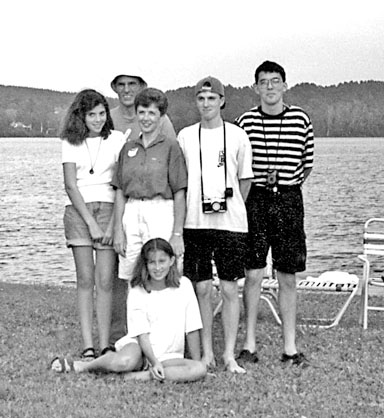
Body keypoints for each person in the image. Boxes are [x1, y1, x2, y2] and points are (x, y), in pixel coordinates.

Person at [234, 60, 314, 367]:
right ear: (255, 87)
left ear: (284, 85)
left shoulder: (300, 119)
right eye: (263, 82)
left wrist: (285, 186)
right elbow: (239, 164)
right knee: (253, 273)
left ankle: (290, 347)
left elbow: (306, 164)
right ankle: (249, 344)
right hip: (255, 199)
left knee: (287, 274)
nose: (269, 87)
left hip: (289, 200)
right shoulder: (245, 122)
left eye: (275, 81)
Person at [177, 76, 253, 374]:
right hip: (195, 222)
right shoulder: (185, 136)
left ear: (222, 100)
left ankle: (229, 354)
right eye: (201, 98)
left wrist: (230, 205)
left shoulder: (237, 136)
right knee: (202, 289)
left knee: (231, 288)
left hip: (231, 223)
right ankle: (207, 352)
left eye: (212, 98)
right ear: (196, 102)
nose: (206, 104)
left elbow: (245, 180)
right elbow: (180, 181)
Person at [51, 238, 207, 383]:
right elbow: (141, 333)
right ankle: (84, 366)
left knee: (199, 368)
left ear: (172, 261)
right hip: (139, 348)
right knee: (124, 362)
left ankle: (142, 376)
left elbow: (192, 328)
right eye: (152, 262)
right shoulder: (137, 289)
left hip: (169, 356)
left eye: (162, 261)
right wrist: (153, 361)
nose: (157, 267)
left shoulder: (184, 285)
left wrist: (195, 360)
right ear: (145, 264)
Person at [109, 73, 177, 346]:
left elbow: (178, 186)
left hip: (160, 207)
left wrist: (178, 231)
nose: (146, 118)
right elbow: (119, 188)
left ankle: (167, 336)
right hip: (128, 209)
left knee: (161, 268)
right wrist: (117, 228)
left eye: (151, 112)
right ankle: (130, 336)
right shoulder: (122, 140)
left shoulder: (168, 138)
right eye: (142, 113)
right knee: (129, 275)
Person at [60, 89, 126, 359]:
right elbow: (70, 185)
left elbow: (122, 183)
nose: (98, 120)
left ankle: (105, 343)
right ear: (81, 116)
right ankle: (88, 345)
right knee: (85, 280)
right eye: (92, 115)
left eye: (102, 114)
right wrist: (91, 224)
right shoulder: (69, 142)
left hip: (109, 210)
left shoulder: (118, 139)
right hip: (79, 213)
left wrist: (111, 225)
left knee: (106, 281)